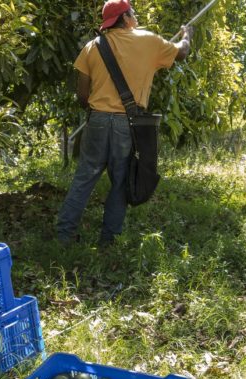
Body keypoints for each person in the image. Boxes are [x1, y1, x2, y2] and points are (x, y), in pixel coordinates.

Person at [56, 0, 192, 247]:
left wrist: (100, 111)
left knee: (84, 178)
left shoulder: (92, 47)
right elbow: (182, 52)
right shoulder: (149, 41)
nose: (136, 17)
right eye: (133, 13)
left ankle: (64, 236)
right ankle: (109, 240)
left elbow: (82, 96)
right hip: (127, 124)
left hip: (96, 120)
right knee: (120, 180)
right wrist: (186, 35)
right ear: (126, 17)